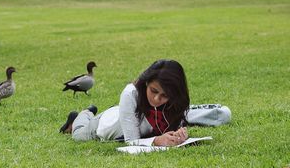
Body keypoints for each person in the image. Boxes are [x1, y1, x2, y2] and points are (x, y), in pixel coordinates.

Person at [59, 59, 231, 146]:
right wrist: (157, 141)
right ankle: (83, 114)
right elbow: (131, 142)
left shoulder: (176, 102)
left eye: (164, 96)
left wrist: (180, 134)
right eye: (154, 91)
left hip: (125, 115)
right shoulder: (130, 93)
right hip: (104, 125)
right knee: (78, 134)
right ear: (146, 82)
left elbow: (172, 128)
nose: (157, 99)